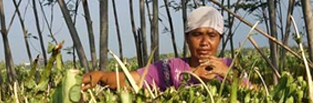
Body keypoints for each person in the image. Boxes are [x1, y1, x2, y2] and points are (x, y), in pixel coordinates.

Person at [82, 6, 242, 91]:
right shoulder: (170, 68)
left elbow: (254, 91)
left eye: (212, 35)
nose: (204, 42)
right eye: (197, 34)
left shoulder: (230, 66)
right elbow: (133, 80)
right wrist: (101, 75)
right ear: (187, 38)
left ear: (220, 39)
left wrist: (226, 73)